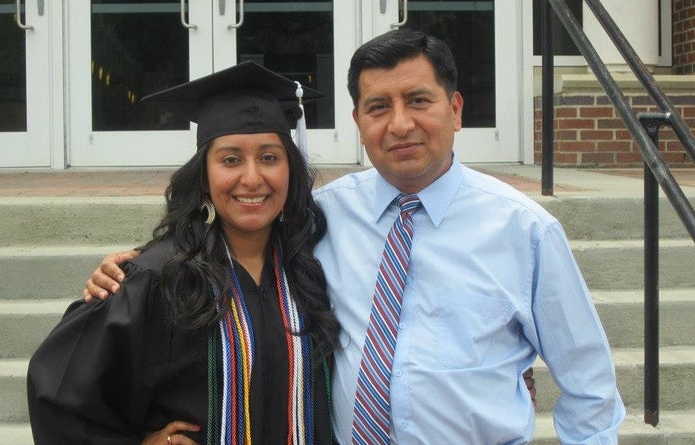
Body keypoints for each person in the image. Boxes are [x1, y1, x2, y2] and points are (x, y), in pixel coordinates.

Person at [85, 29, 624, 444]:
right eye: (378, 107)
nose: (400, 124)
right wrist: (136, 266)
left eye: (418, 100)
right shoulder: (318, 216)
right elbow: (233, 233)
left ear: (456, 109)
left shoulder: (525, 230)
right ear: (357, 121)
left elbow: (590, 387)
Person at [27, 61, 340, 445]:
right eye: (230, 159)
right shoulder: (159, 277)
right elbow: (60, 394)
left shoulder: (313, 266)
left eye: (270, 157)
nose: (253, 178)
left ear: (290, 171)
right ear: (204, 176)